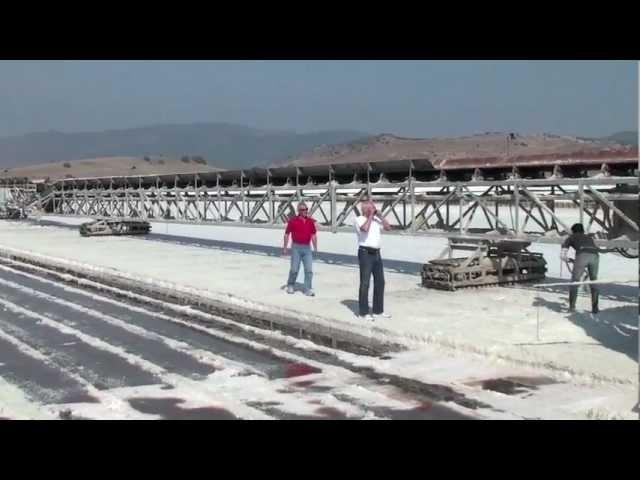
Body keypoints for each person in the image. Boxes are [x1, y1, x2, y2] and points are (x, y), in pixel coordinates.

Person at [353, 200, 391, 320]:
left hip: (377, 253)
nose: (373, 210)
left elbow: (388, 228)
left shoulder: (376, 219)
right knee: (365, 283)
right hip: (365, 253)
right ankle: (363, 312)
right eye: (371, 208)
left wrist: (380, 216)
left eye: (374, 208)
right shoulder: (359, 219)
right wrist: (369, 217)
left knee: (380, 282)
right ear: (365, 209)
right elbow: (364, 229)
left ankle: (378, 310)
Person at [561, 223, 601, 314]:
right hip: (595, 256)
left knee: (575, 281)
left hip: (582, 256)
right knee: (594, 281)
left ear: (573, 231)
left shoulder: (571, 237)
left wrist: (568, 259)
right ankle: (595, 308)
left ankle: (572, 307)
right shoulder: (589, 237)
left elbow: (562, 255)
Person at [283, 202, 317, 296]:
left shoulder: (310, 221)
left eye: (306, 209)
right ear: (298, 211)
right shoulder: (293, 221)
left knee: (309, 270)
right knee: (294, 269)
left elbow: (313, 235)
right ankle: (290, 285)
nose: (305, 211)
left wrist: (315, 247)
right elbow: (286, 234)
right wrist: (285, 247)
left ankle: (307, 289)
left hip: (307, 248)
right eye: (303, 210)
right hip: (296, 248)